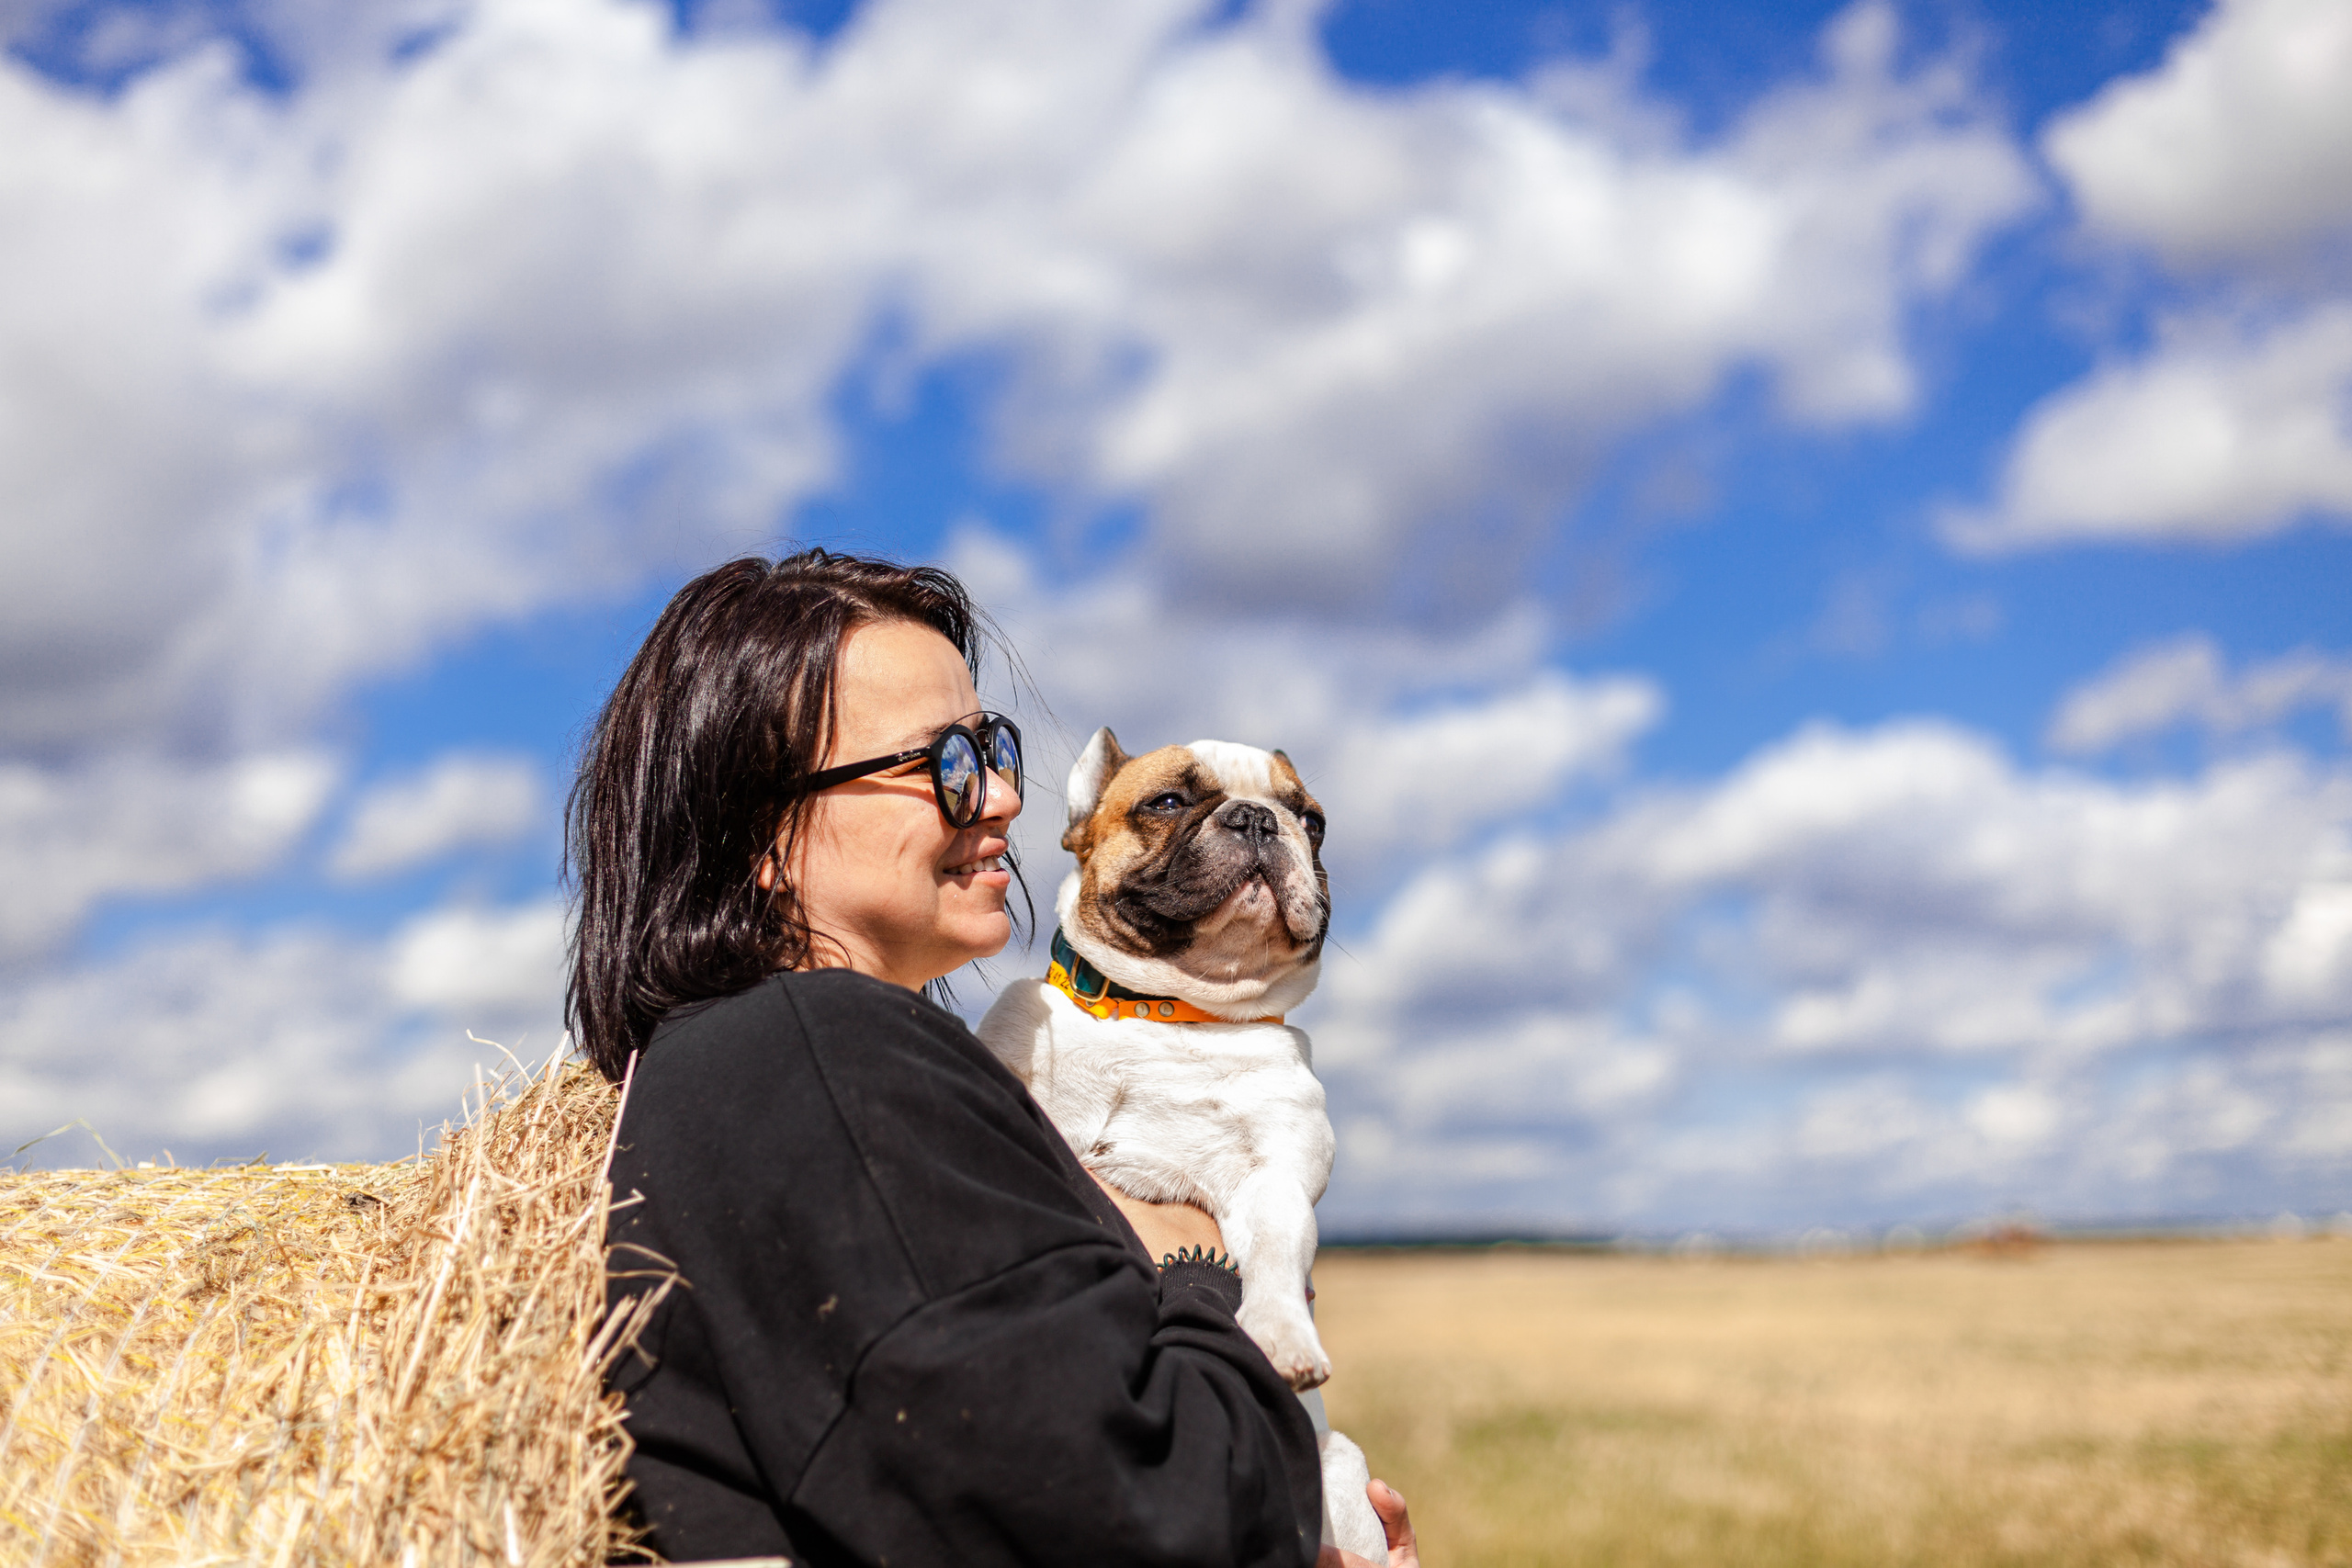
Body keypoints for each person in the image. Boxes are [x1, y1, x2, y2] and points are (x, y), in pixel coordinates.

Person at [569, 549, 1419, 1568]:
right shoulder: (821, 1054)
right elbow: (1144, 1513)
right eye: (943, 763)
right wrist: (1199, 1264)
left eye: (991, 748)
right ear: (764, 831)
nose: (1005, 798)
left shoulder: (758, 1064)